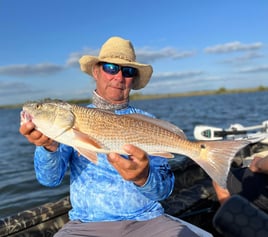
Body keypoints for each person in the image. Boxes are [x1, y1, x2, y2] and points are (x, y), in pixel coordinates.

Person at [20, 36, 212, 237]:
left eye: (127, 71)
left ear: (133, 79)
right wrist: (48, 148)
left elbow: (163, 191)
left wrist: (143, 177)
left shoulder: (147, 121)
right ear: (96, 71)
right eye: (110, 67)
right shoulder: (67, 125)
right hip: (86, 225)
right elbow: (49, 180)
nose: (119, 77)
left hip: (147, 221)